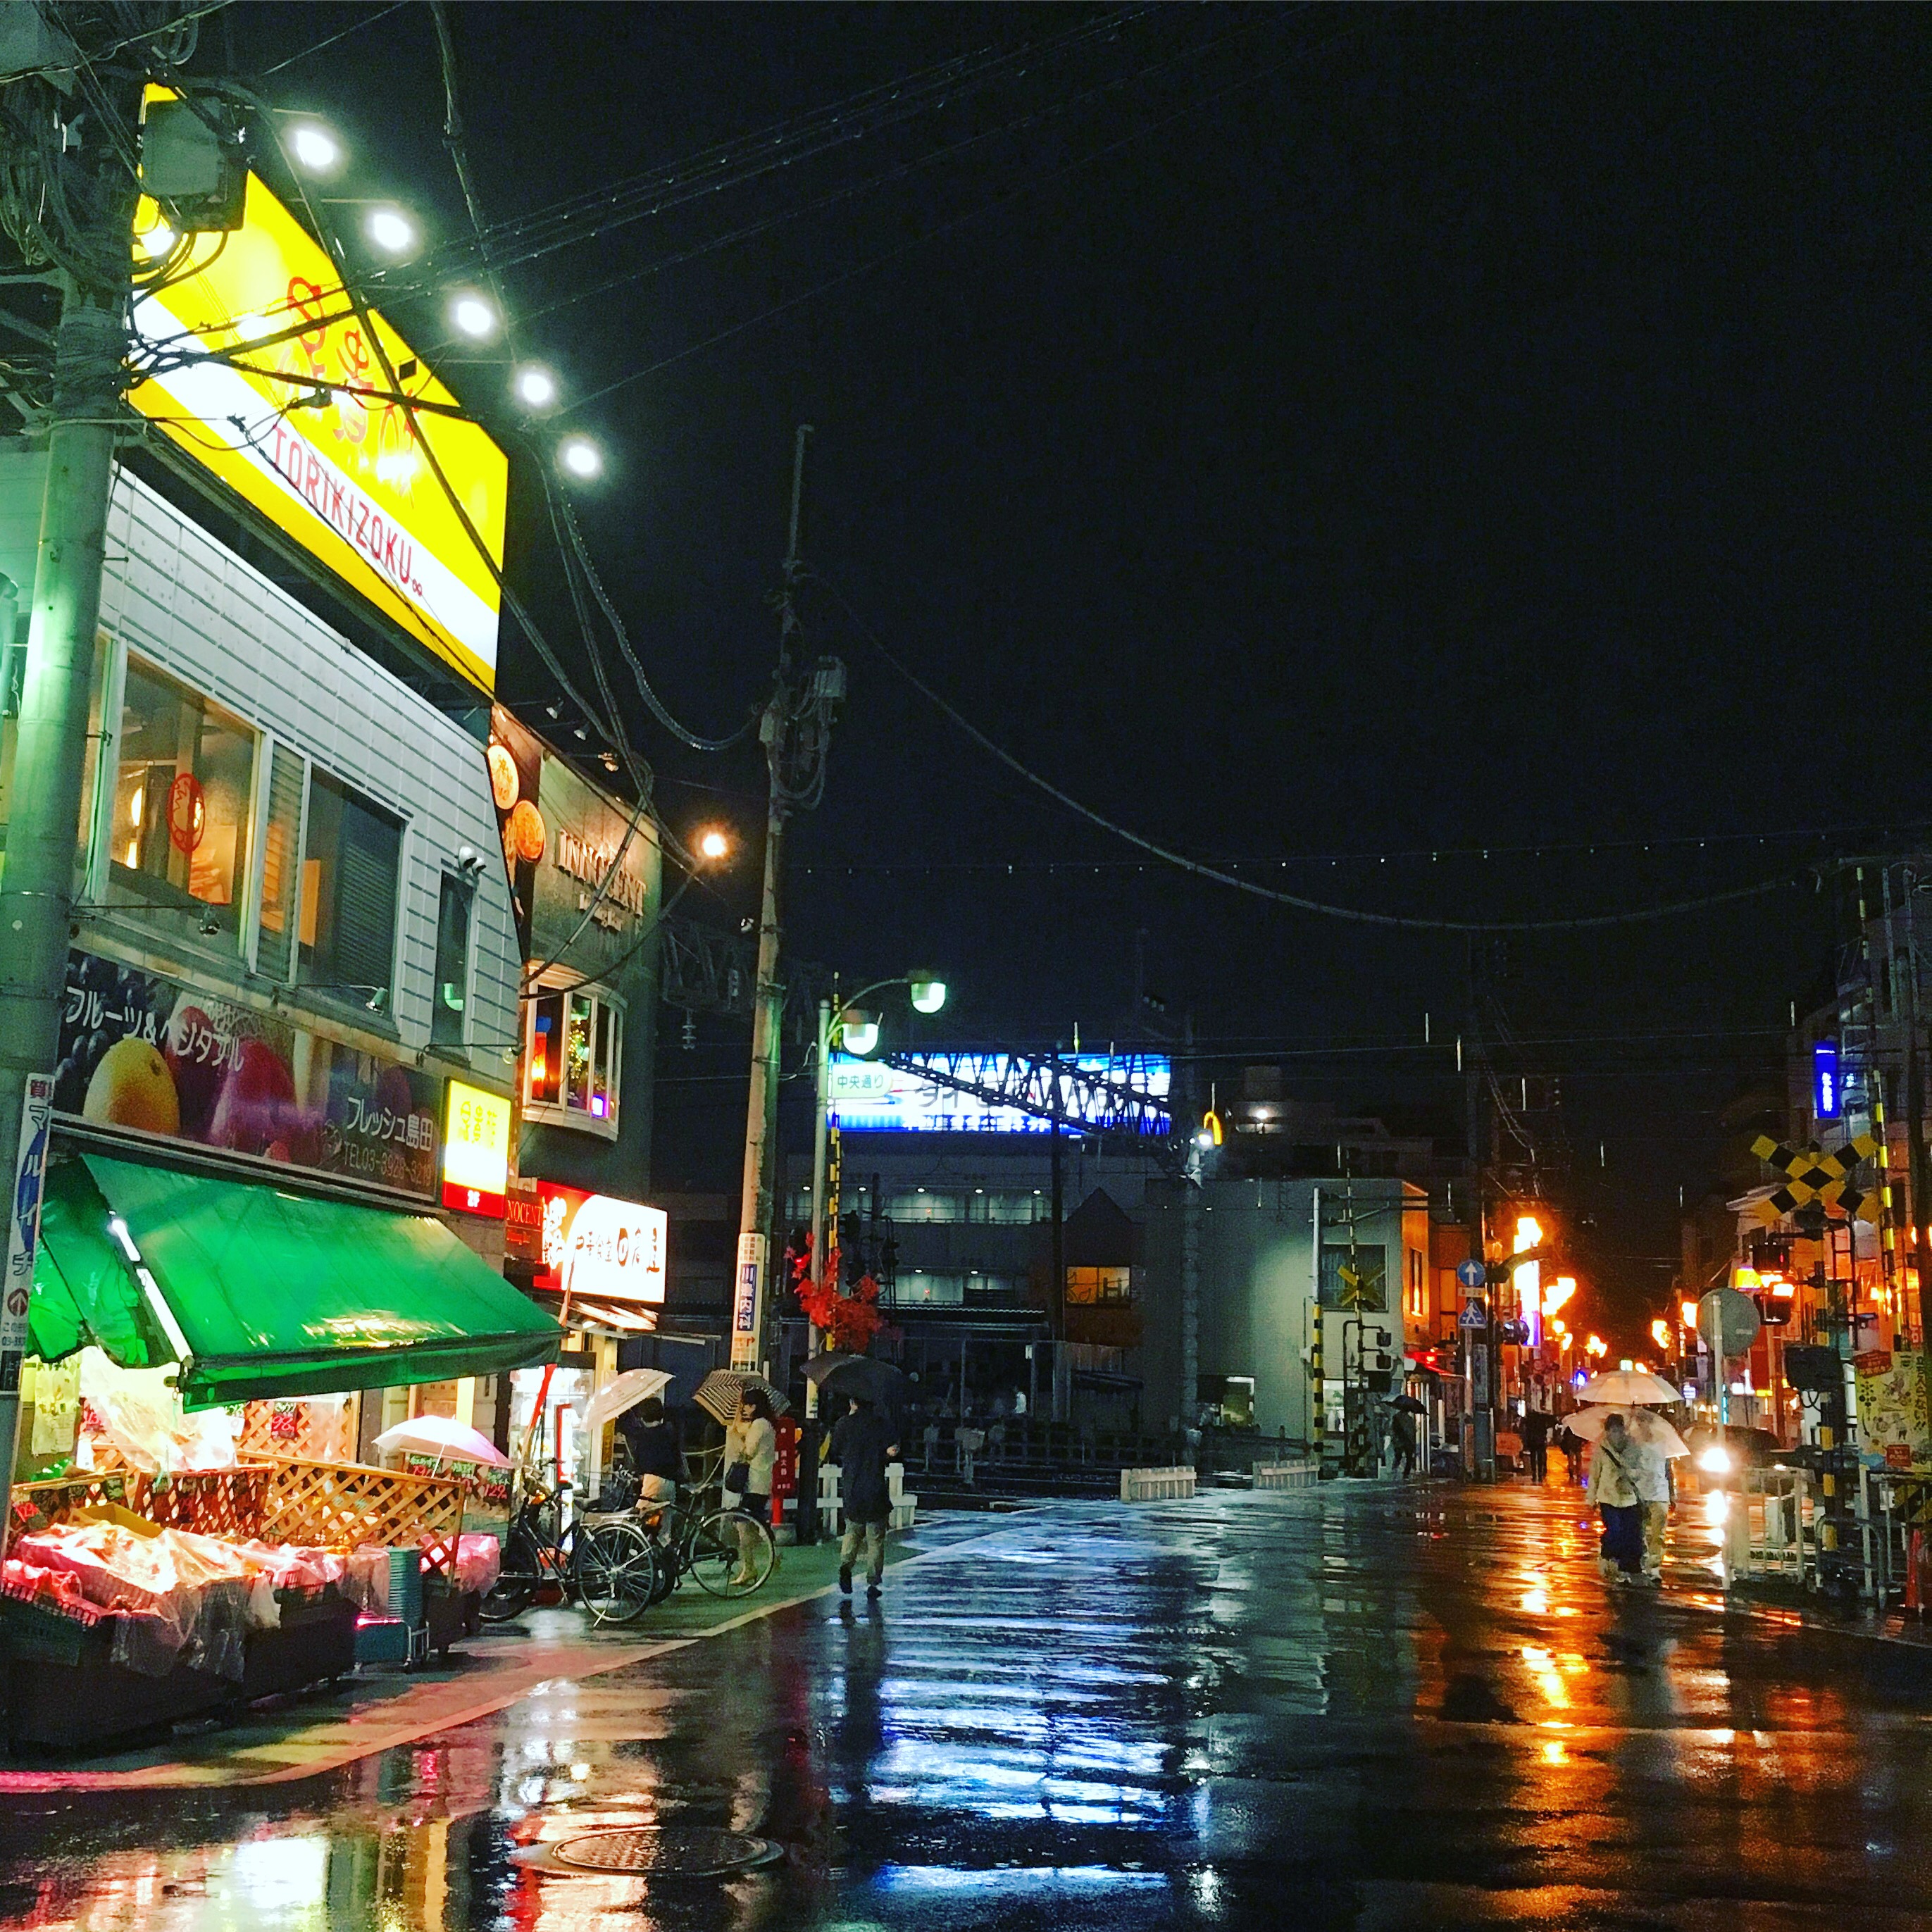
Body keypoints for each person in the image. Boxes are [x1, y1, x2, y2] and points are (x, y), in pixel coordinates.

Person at [830, 1394, 899, 1598]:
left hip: (852, 1487)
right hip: (875, 1488)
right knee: (875, 1539)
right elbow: (891, 1452)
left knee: (852, 1531)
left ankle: (846, 1565)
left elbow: (835, 1450)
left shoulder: (844, 1424)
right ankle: (873, 1583)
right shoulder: (881, 1425)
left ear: (853, 1403)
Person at [723, 1388, 778, 1585]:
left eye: (748, 1405)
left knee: (742, 1523)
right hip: (761, 1482)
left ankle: (749, 1567)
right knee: (754, 1524)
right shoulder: (767, 1425)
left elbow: (749, 1452)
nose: (745, 1408)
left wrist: (737, 1442)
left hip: (754, 1482)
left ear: (755, 1406)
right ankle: (771, 1557)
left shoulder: (759, 1424)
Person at [1587, 1413, 1645, 1583]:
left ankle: (1626, 1567)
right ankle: (1609, 1556)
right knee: (1615, 1531)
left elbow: (1640, 1470)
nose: (1617, 1434)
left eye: (1619, 1430)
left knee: (1630, 1533)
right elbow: (1595, 1475)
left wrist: (1629, 1475)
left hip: (1628, 1497)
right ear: (1607, 1432)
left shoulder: (1633, 1446)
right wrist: (1591, 1499)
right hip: (1608, 1497)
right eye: (1613, 1431)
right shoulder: (1601, 1449)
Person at [616, 1395, 683, 1503]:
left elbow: (644, 1464)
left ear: (642, 1418)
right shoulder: (669, 1433)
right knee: (664, 1517)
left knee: (640, 1516)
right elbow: (677, 1460)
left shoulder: (644, 1437)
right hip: (671, 1484)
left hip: (653, 1483)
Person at [1521, 1407, 1552, 1485]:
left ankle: (1535, 1475)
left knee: (1533, 1458)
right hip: (1541, 1441)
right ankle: (1540, 1475)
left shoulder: (1529, 1421)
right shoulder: (1542, 1421)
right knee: (1540, 1458)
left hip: (1532, 1441)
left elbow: (1526, 1431)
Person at [1390, 1407, 1418, 1478]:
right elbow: (1413, 1431)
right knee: (1409, 1457)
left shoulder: (1396, 1417)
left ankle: (1394, 1470)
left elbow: (1393, 1429)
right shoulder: (1409, 1419)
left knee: (1398, 1456)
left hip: (1400, 1440)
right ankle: (1406, 1473)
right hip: (1407, 1440)